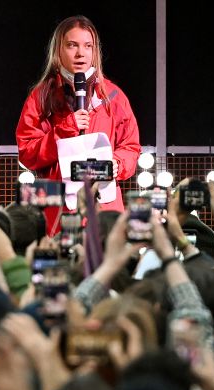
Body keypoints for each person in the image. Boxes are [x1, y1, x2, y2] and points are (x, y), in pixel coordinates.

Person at [16, 15, 140, 234]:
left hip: (106, 211)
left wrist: (116, 164)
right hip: (59, 213)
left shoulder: (113, 96)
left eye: (87, 46)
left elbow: (130, 147)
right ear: (58, 50)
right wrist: (64, 129)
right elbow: (27, 152)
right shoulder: (42, 97)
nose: (81, 53)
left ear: (95, 52)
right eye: (72, 45)